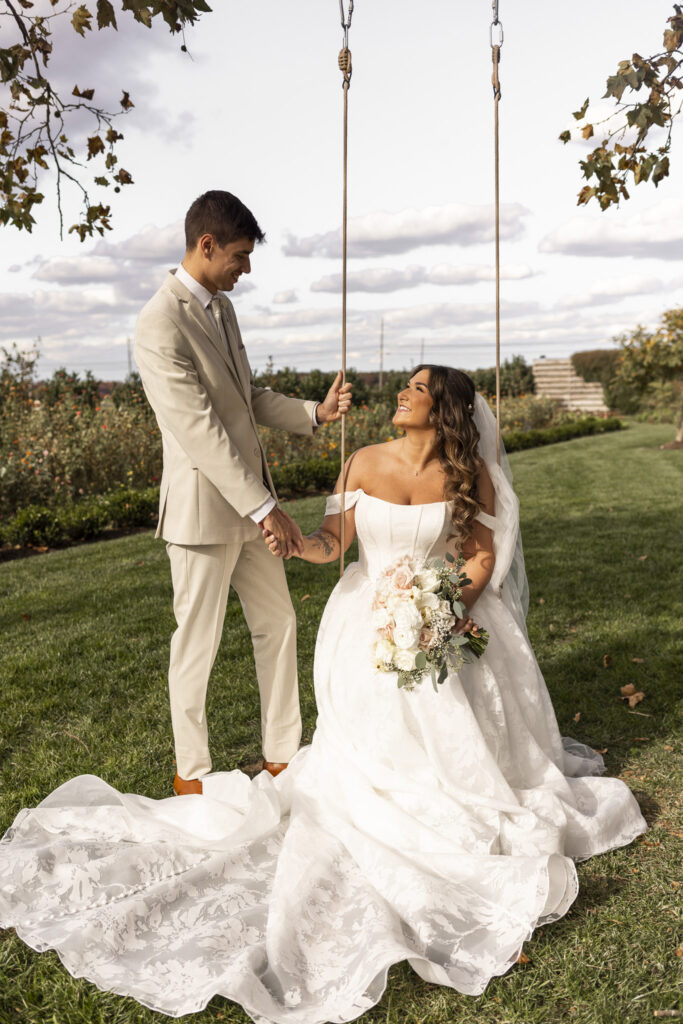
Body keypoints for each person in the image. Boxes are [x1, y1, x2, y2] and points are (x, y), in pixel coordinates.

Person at [0, 366, 647, 1024]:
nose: (401, 392)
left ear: (445, 408)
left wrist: (447, 607)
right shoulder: (362, 462)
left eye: (417, 388)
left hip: (444, 612)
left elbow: (480, 553)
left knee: (459, 715)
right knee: (368, 726)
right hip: (366, 617)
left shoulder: (468, 473)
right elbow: (330, 545)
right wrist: (293, 541)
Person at [133, 190, 351, 795]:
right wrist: (268, 508)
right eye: (240, 255)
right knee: (196, 644)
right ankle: (191, 776)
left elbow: (245, 400)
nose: (245, 268)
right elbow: (199, 429)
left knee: (278, 623)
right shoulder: (159, 321)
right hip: (205, 513)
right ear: (206, 246)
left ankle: (282, 757)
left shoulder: (222, 310)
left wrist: (315, 409)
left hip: (254, 510)